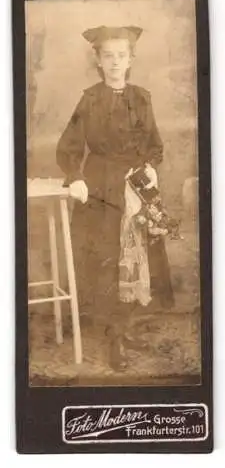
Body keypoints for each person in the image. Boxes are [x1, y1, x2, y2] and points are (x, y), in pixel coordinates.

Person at [56, 25, 174, 371]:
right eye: (108, 56)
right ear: (98, 61)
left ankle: (125, 326)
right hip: (102, 188)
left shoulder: (142, 97)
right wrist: (75, 177)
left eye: (121, 55)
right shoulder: (90, 98)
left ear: (131, 59)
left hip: (138, 185)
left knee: (142, 259)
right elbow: (68, 147)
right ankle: (113, 339)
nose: (115, 62)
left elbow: (154, 144)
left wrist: (150, 166)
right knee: (109, 261)